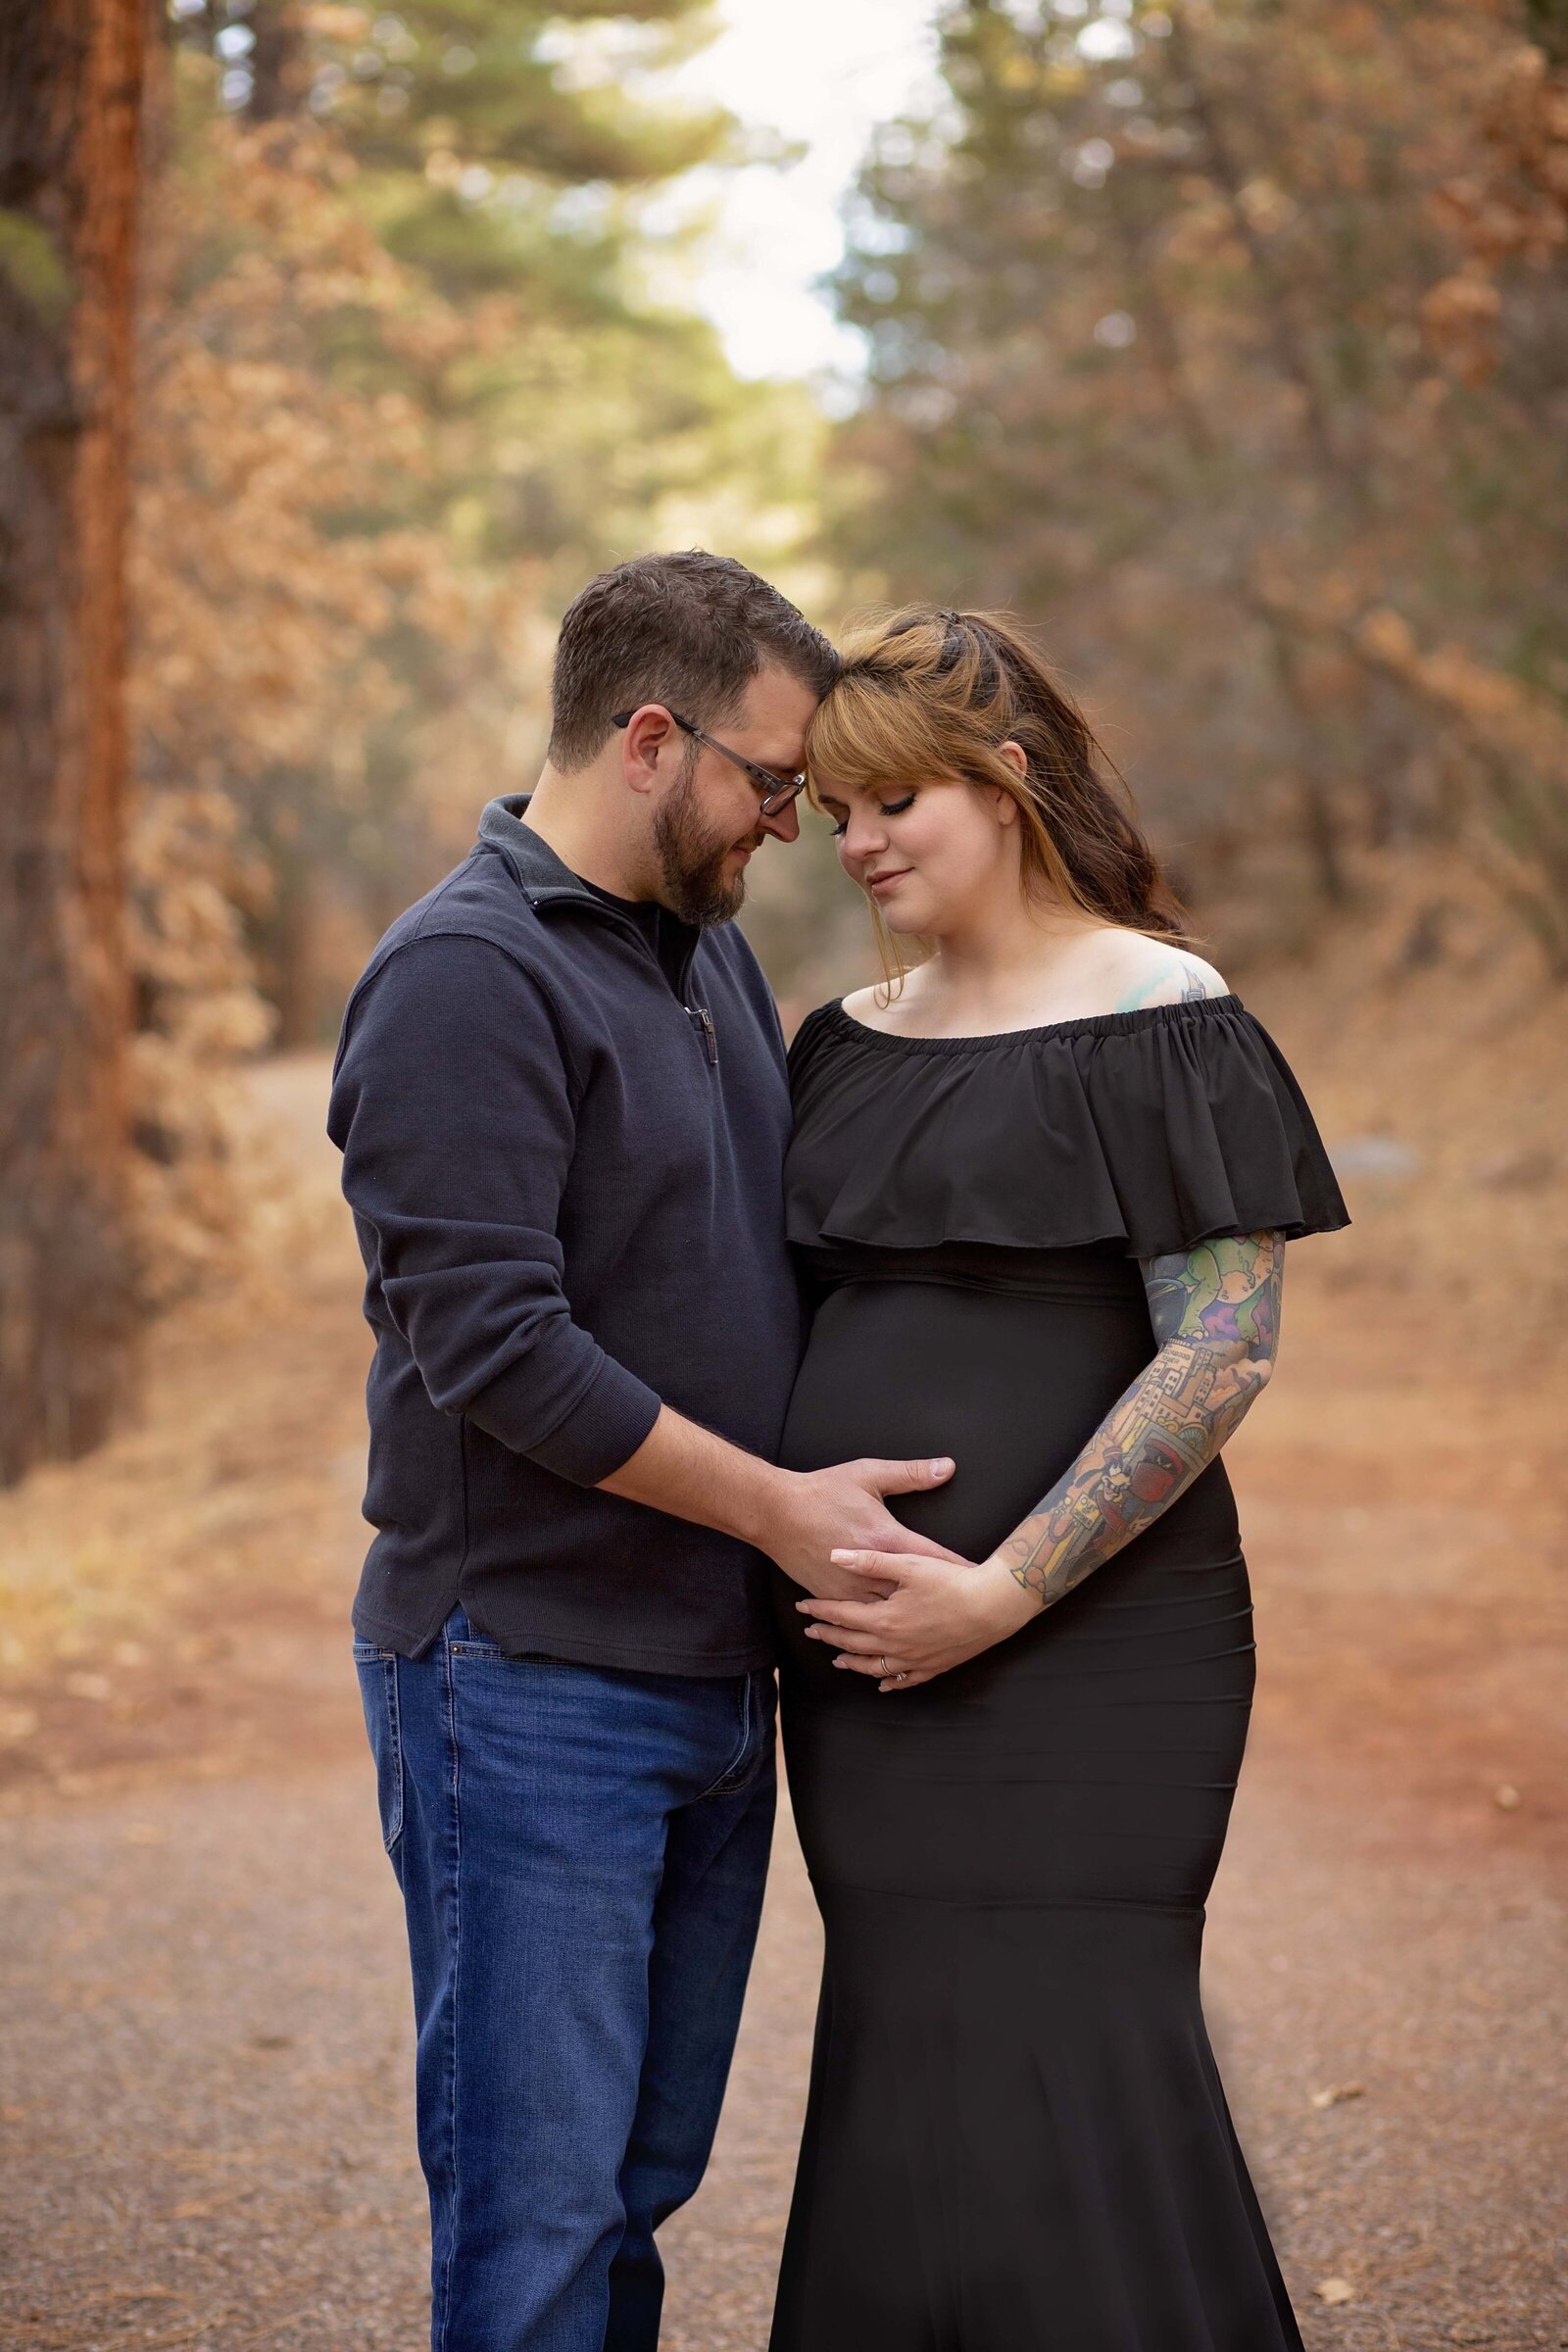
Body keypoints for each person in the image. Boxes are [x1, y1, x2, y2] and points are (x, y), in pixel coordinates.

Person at [327, 552, 960, 2352]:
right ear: (651, 737)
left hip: (706, 1672)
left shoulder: (707, 957)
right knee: (535, 2218)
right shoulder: (464, 973)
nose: (794, 823)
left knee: (635, 2188)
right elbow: (496, 1347)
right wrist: (779, 1511)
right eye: (772, 782)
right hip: (524, 1674)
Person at [767, 607, 1349, 2352]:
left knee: (1085, 2040)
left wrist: (998, 1592)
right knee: (905, 2042)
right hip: (866, 1672)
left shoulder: (1162, 1011)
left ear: (1003, 786)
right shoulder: (837, 1040)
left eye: (892, 806)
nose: (856, 844)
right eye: (833, 811)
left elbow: (1221, 1347)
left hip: (1101, 1660)